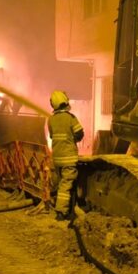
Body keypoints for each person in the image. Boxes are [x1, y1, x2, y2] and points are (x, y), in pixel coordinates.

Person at [47, 90, 83, 220]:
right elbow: (79, 134)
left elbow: (51, 136)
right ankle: (61, 212)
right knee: (66, 185)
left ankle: (59, 205)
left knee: (59, 182)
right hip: (69, 159)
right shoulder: (71, 118)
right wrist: (74, 139)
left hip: (56, 158)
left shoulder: (50, 119)